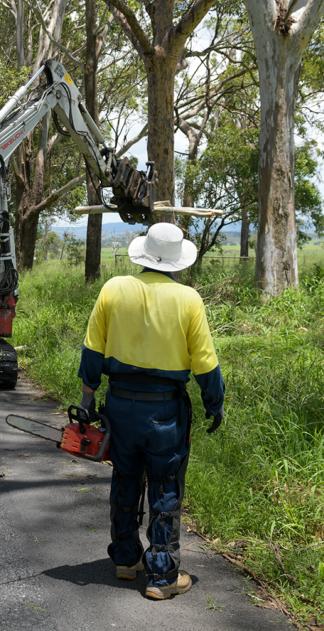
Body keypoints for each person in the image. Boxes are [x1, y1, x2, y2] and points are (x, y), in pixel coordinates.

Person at [77, 221, 225, 600]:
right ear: (177, 262)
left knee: (125, 479)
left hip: (120, 406)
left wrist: (87, 399)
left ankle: (127, 559)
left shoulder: (113, 289)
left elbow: (92, 351)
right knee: (165, 487)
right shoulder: (188, 299)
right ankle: (162, 577)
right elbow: (206, 364)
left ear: (143, 256)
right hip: (166, 410)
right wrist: (214, 404)